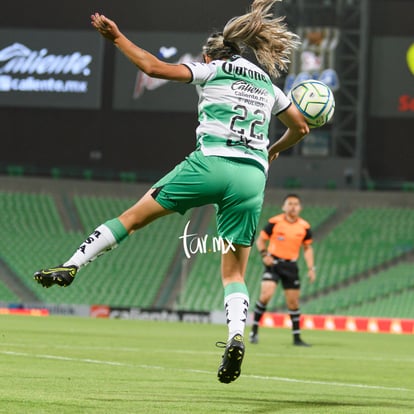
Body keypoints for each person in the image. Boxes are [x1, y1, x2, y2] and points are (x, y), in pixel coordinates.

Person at [34, 0, 309, 384]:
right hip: (251, 178)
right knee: (234, 271)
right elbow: (300, 128)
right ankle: (235, 337)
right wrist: (271, 150)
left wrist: (117, 38)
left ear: (209, 54)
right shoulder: (267, 83)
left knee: (132, 218)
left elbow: (151, 67)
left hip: (210, 164)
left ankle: (73, 263)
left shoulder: (212, 69)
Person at [249, 193, 315, 346]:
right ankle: (254, 331)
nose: (293, 206)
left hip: (291, 265)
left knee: (293, 303)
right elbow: (260, 240)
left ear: (300, 208)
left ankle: (297, 338)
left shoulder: (304, 227)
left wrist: (311, 268)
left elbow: (307, 248)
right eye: (290, 203)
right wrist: (264, 255)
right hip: (274, 264)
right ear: (284, 206)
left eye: (296, 204)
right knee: (266, 295)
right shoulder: (274, 222)